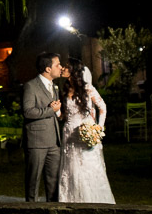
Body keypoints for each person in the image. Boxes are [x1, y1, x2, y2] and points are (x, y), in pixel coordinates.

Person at [57, 58, 116, 204]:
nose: (63, 69)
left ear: (73, 71)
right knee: (71, 169)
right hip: (68, 132)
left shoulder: (88, 89)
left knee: (87, 168)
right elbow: (63, 116)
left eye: (66, 66)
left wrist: (98, 128)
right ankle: (71, 200)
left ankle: (92, 200)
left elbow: (103, 108)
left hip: (85, 132)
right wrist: (57, 111)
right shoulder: (63, 89)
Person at [22, 52, 63, 202]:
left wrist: (58, 112)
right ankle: (30, 213)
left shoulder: (55, 87)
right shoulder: (30, 86)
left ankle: (52, 213)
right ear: (47, 68)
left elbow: (55, 112)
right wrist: (50, 110)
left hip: (54, 142)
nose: (61, 67)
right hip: (37, 142)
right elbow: (28, 112)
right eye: (57, 64)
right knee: (33, 182)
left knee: (53, 183)